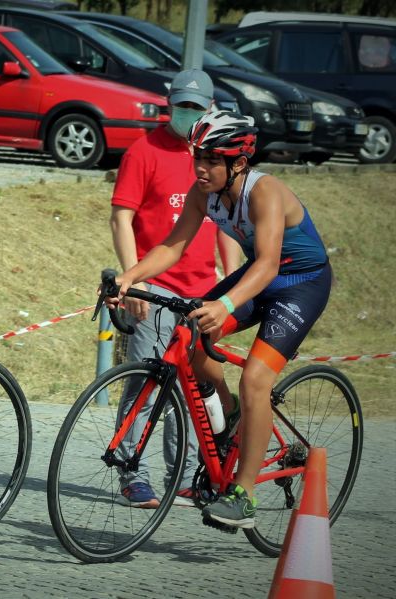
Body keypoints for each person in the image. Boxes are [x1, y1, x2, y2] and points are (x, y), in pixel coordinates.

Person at [109, 110, 332, 528]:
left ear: (239, 163)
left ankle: (243, 496)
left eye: (212, 160)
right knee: (187, 334)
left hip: (301, 283)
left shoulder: (265, 192)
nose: (200, 168)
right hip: (261, 278)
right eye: (198, 157)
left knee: (256, 380)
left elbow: (266, 265)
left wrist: (226, 305)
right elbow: (173, 247)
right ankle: (230, 415)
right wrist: (129, 276)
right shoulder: (203, 192)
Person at [110, 69, 239, 509]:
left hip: (203, 293)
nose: (187, 114)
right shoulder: (144, 151)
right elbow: (121, 218)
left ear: (209, 109)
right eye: (180, 106)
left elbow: (227, 226)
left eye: (195, 108)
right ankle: (133, 474)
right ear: (169, 105)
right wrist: (134, 278)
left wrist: (230, 287)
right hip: (156, 288)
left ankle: (184, 478)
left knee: (192, 391)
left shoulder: (213, 156)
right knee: (145, 386)